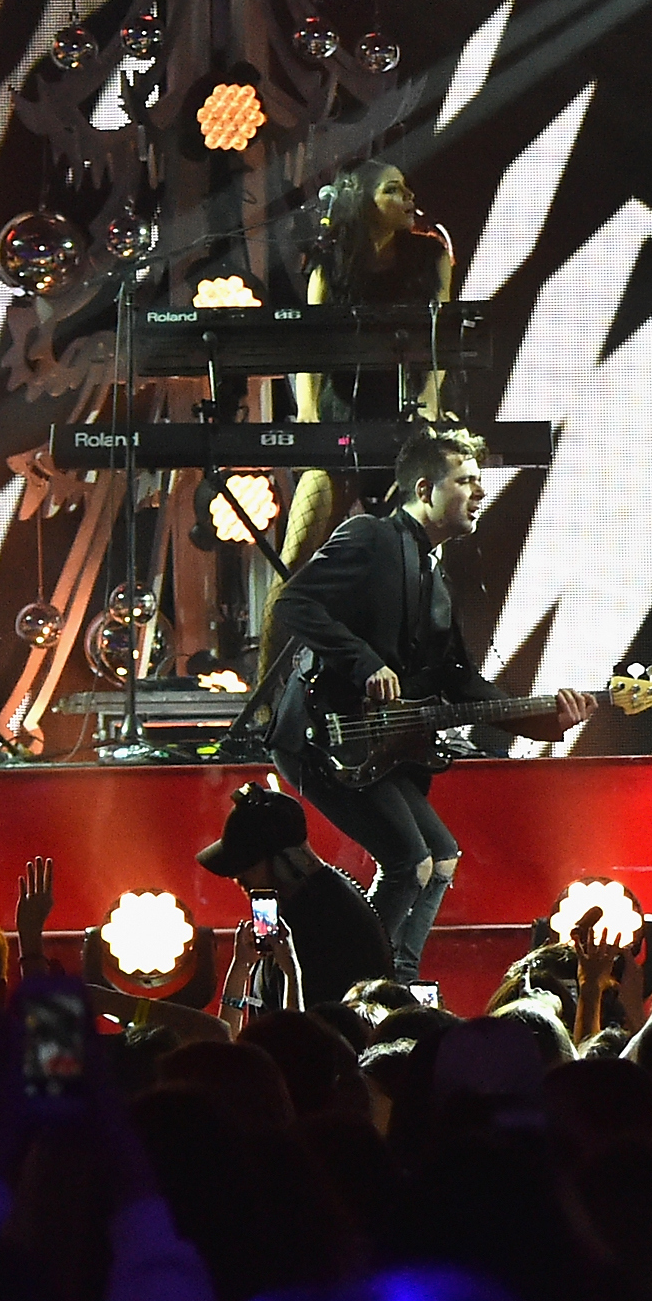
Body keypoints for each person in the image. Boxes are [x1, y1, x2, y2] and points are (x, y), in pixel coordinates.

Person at [267, 426, 594, 980]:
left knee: (440, 859)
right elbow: (293, 602)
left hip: (379, 746)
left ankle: (397, 983)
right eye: (466, 481)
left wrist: (545, 719)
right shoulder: (371, 536)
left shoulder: (436, 577)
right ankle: (351, 981)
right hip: (321, 738)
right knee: (410, 862)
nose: (481, 492)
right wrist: (364, 662)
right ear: (425, 489)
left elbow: (458, 681)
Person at [278, 158, 457, 580]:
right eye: (392, 189)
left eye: (406, 187)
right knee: (292, 565)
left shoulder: (430, 256)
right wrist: (308, 416)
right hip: (341, 420)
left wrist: (429, 405)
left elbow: (442, 343)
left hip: (407, 419)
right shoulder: (329, 264)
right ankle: (275, 627)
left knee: (414, 567)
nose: (408, 196)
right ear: (362, 201)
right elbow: (312, 347)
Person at [197, 782, 397, 1010]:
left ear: (286, 860)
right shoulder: (313, 902)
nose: (237, 878)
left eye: (247, 865)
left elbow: (304, 1021)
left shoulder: (325, 921)